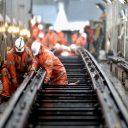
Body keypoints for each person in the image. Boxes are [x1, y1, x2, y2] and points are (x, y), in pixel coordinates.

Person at [0, 37, 33, 103]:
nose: (20, 53)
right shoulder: (10, 54)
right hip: (12, 72)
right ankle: (6, 94)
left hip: (22, 72)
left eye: (21, 52)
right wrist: (14, 80)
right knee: (4, 71)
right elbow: (12, 69)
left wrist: (30, 69)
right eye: (18, 52)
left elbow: (31, 62)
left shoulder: (27, 51)